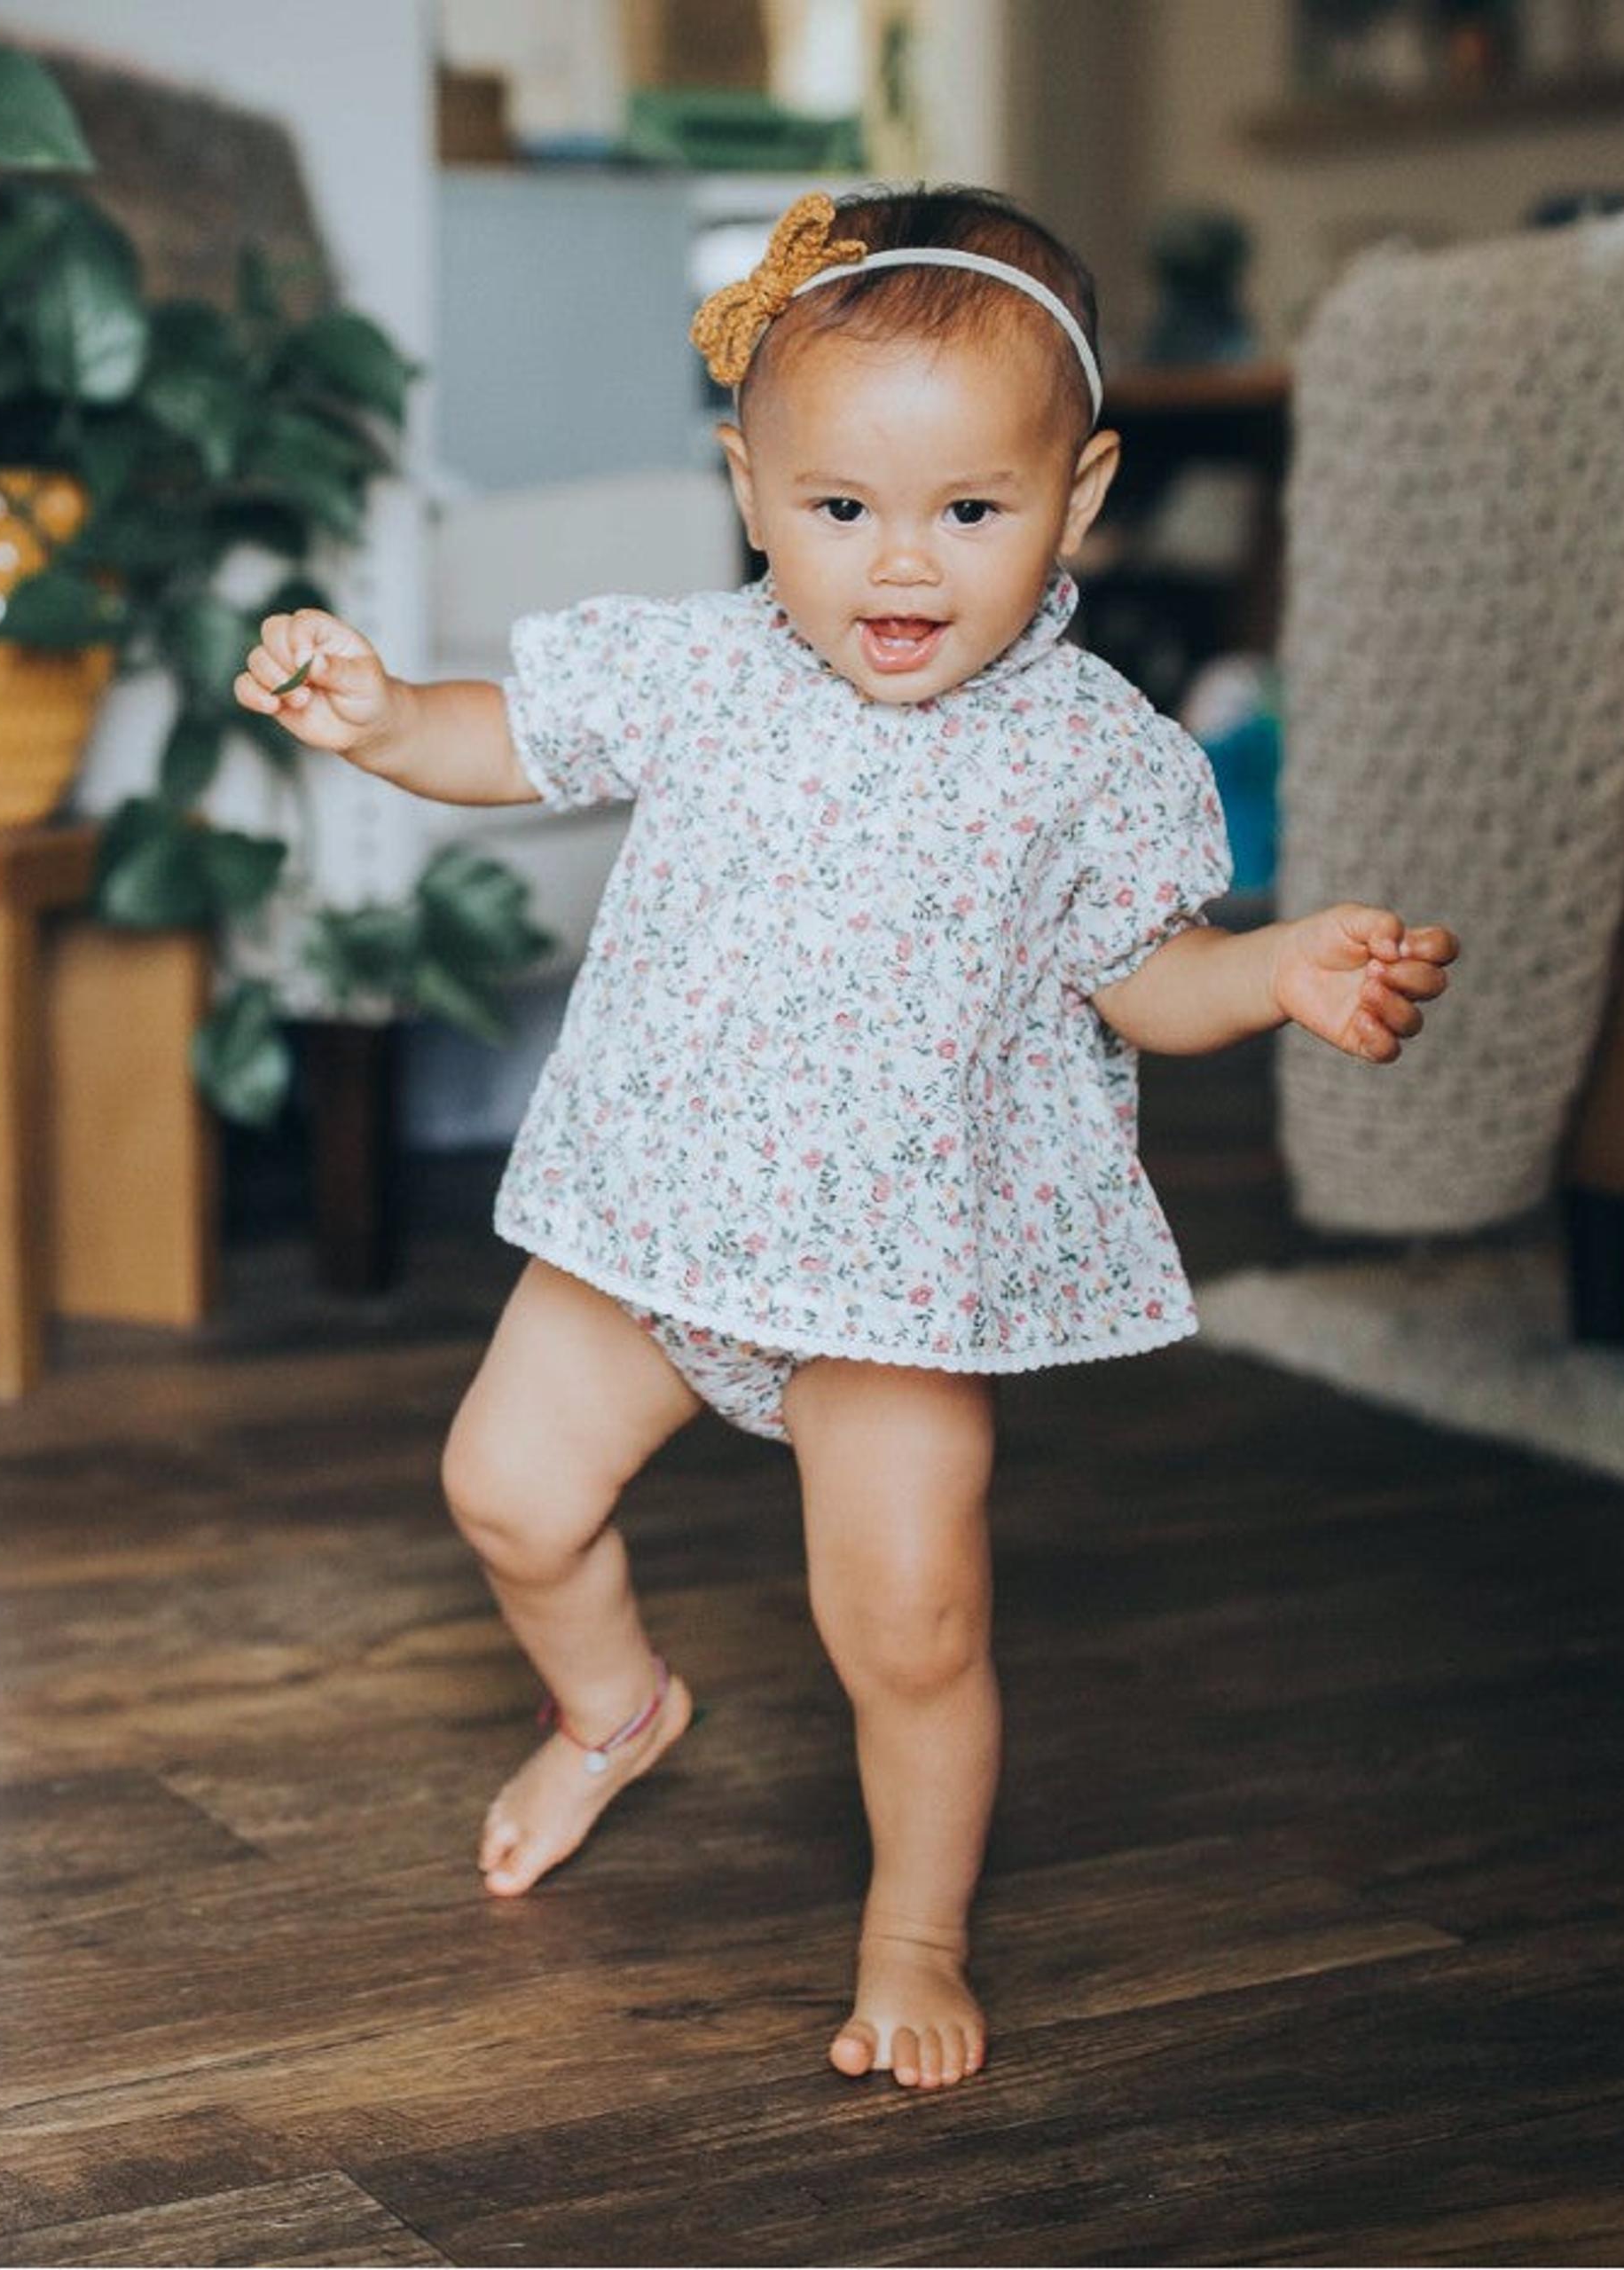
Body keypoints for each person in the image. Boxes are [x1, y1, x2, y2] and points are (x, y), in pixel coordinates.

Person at [231, 185, 1458, 2093]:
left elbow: (1147, 974)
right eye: (838, 510)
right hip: (662, 1221)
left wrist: (1278, 967)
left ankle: (915, 1925)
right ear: (750, 486)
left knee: (909, 1619)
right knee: (506, 1488)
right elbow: (505, 737)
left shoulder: (1088, 749)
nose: (901, 567)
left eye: (970, 510)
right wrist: (384, 714)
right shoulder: (708, 667)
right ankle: (614, 1702)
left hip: (902, 1272)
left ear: (1083, 488)